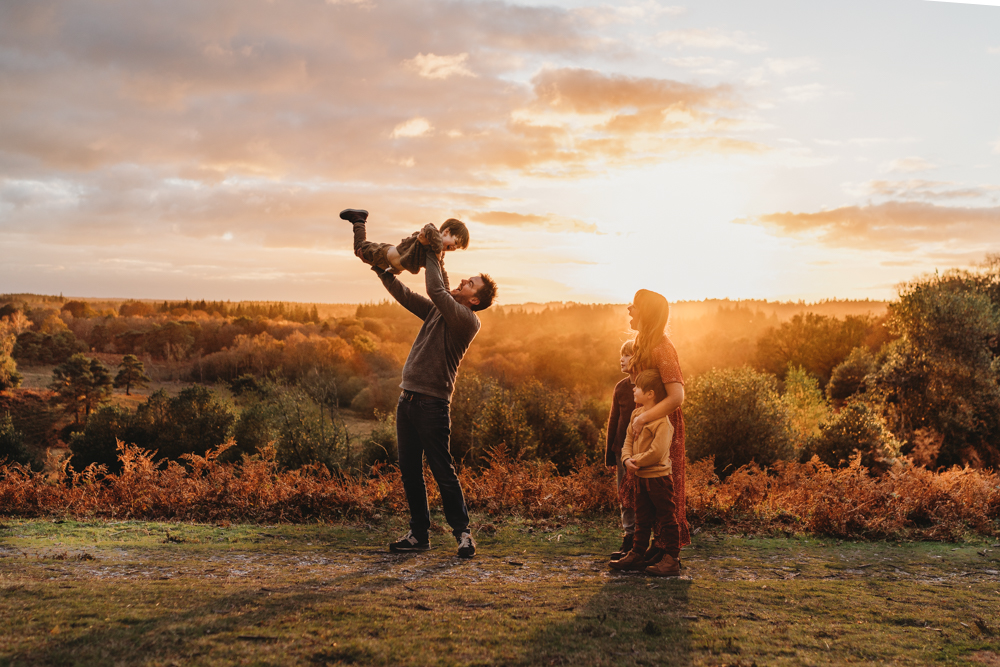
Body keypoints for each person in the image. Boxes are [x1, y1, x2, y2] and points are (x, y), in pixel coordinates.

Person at [366, 228, 497, 559]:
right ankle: (418, 535)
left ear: (475, 300)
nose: (463, 283)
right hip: (407, 399)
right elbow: (410, 296)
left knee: (442, 470)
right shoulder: (443, 310)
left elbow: (436, 288)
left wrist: (432, 250)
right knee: (410, 472)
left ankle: (463, 534)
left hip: (432, 405)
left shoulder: (465, 320)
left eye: (469, 284)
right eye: (465, 279)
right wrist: (382, 271)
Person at [625, 289, 690, 563]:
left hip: (662, 425)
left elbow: (676, 396)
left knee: (664, 489)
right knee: (645, 489)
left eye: (635, 306)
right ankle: (652, 548)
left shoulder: (661, 347)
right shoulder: (642, 343)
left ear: (647, 313)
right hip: (645, 422)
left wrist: (644, 418)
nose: (629, 309)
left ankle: (668, 552)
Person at [609, 369, 680, 576]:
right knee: (642, 518)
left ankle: (672, 559)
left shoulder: (662, 422)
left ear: (650, 394)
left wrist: (635, 461)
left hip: (658, 479)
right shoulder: (636, 415)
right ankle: (637, 555)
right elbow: (627, 441)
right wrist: (625, 459)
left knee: (667, 518)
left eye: (638, 387)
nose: (634, 389)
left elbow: (656, 453)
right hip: (640, 478)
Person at [341, 208, 469, 281]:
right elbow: (429, 228)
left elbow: (441, 273)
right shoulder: (432, 234)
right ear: (446, 232)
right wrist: (438, 250)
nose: (454, 248)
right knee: (359, 247)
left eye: (457, 248)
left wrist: (448, 294)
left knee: (363, 254)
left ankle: (359, 220)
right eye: (456, 243)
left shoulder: (439, 255)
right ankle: (359, 219)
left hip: (388, 266)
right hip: (382, 253)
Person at [605, 339, 637, 560]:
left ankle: (645, 540)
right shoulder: (620, 387)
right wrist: (610, 454)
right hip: (621, 452)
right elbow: (613, 420)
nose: (622, 359)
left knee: (644, 496)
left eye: (627, 355)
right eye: (621, 355)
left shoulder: (651, 386)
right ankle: (629, 538)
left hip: (643, 451)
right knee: (625, 496)